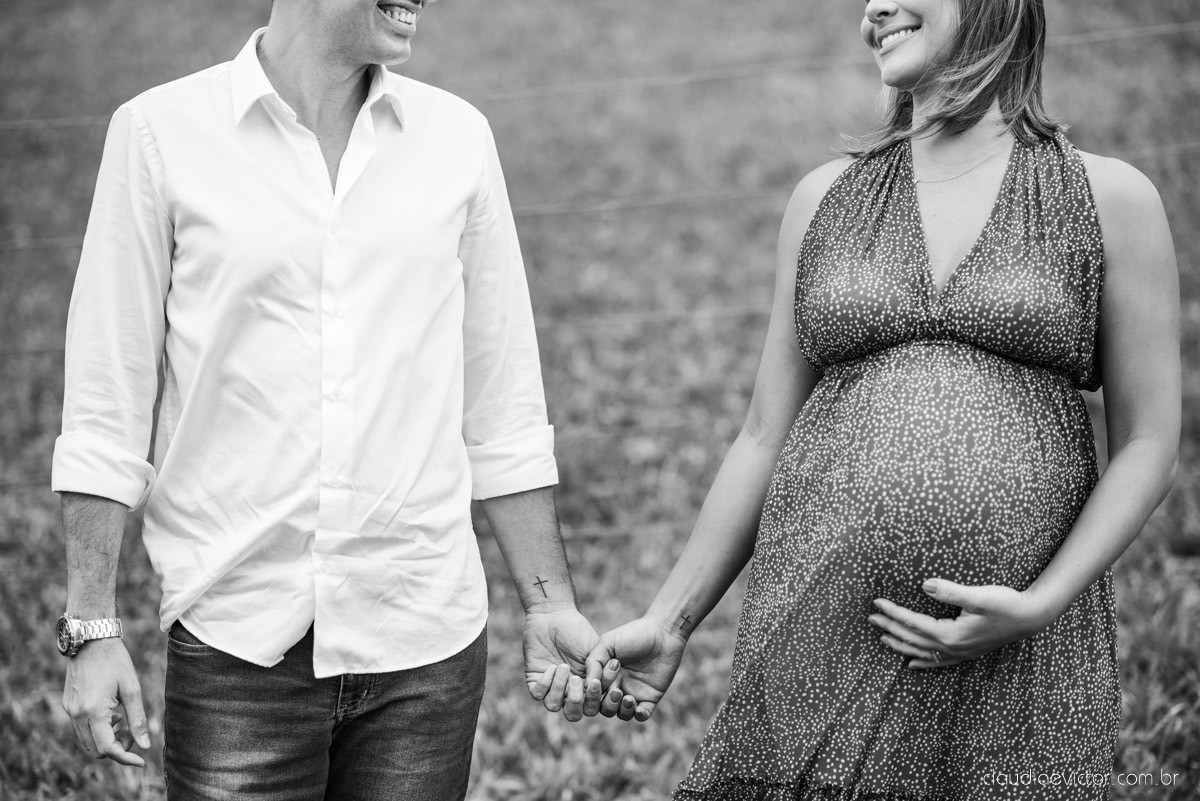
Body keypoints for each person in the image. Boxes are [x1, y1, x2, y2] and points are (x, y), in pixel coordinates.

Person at [585, 0, 1180, 798]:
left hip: (1021, 651)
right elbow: (763, 435)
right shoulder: (825, 198)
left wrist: (1039, 603)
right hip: (823, 629)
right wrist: (669, 621)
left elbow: (1149, 441)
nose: (873, 7)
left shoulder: (1110, 197)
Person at [52, 1, 604, 797]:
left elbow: (503, 402)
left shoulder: (457, 138)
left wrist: (548, 603)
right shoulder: (157, 134)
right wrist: (91, 627)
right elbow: (106, 402)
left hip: (426, 650)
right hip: (239, 648)